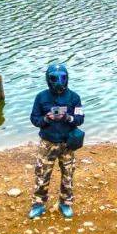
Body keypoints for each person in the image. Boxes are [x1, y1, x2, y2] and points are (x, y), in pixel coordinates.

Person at [29, 63, 84, 219]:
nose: (59, 81)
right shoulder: (41, 97)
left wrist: (68, 117)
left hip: (67, 144)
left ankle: (65, 204)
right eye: (54, 78)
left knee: (68, 175)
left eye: (62, 78)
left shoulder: (74, 97)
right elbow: (34, 119)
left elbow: (80, 119)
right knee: (42, 175)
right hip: (47, 143)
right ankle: (38, 204)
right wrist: (46, 118)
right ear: (48, 79)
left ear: (67, 78)